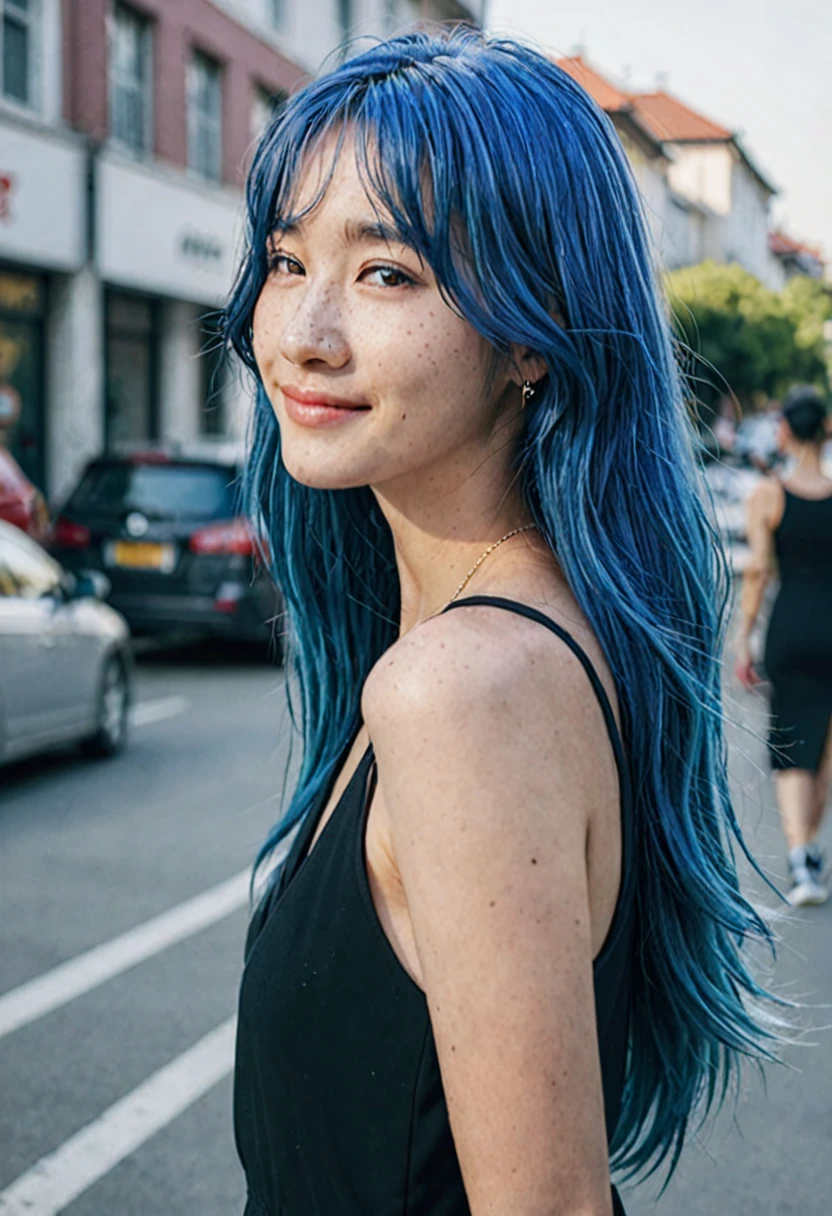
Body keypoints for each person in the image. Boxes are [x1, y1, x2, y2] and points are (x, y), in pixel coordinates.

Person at [225, 30, 778, 1216]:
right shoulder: (524, 633)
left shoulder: (464, 687)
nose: (301, 333)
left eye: (387, 273)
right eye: (284, 260)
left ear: (531, 333)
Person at [737, 385, 832, 906]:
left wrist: (744, 638)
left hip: (791, 629)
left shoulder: (768, 494)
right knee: (822, 753)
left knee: (792, 746)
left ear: (784, 431)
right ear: (828, 428)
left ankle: (802, 859)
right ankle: (810, 849)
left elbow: (757, 571)